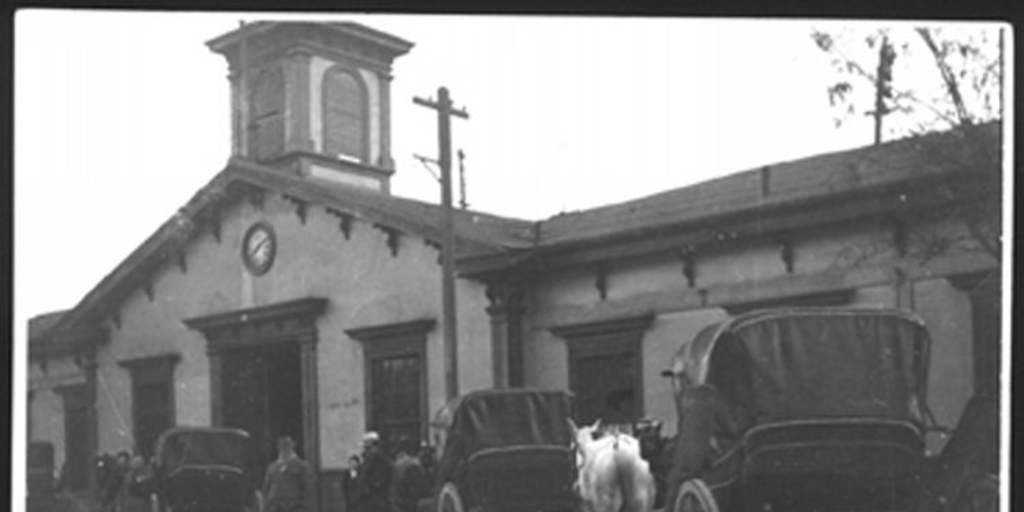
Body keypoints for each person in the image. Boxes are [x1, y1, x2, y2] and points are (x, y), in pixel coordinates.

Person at [262, 436, 316, 512]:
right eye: (281, 446)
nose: (284, 449)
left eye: (287, 445)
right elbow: (265, 490)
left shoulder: (302, 466)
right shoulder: (272, 467)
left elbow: (308, 491)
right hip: (274, 508)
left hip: (295, 508)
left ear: (292, 447)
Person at [389, 437, 429, 512]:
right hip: (408, 504)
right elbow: (420, 489)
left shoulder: (397, 464)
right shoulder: (412, 465)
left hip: (398, 503)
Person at [357, 432, 392, 512]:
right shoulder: (377, 454)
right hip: (375, 493)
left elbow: (365, 473)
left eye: (366, 442)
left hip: (373, 495)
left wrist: (368, 488)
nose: (364, 445)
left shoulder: (373, 454)